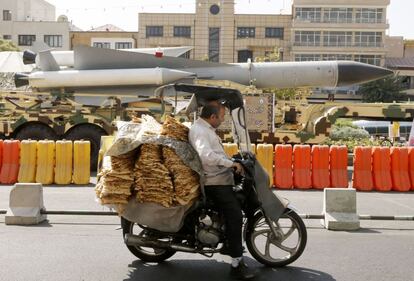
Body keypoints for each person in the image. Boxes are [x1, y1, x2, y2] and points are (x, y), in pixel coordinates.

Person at [189, 100, 256, 280]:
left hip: (219, 177)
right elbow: (206, 156)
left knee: (238, 204)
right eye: (222, 116)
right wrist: (230, 163)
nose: (223, 119)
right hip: (214, 182)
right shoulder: (201, 131)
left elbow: (214, 153)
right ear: (212, 117)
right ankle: (236, 264)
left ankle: (228, 241)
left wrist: (233, 159)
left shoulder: (205, 129)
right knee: (234, 214)